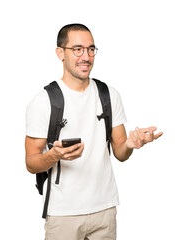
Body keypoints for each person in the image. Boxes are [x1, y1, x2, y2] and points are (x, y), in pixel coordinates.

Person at [25, 23, 163, 240]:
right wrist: (52, 156)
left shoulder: (108, 94)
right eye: (77, 49)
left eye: (91, 49)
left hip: (105, 210)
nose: (86, 56)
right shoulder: (42, 101)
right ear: (60, 53)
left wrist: (130, 144)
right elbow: (31, 163)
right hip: (63, 214)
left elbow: (120, 152)